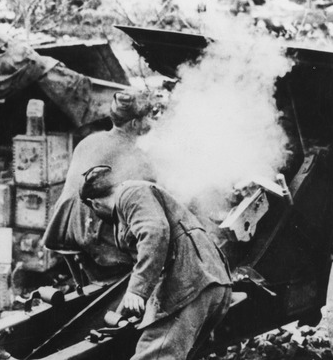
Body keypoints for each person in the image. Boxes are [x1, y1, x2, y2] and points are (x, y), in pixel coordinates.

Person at [78, 165, 232, 360]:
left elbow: (155, 232)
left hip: (190, 284)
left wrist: (137, 290)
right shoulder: (131, 202)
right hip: (206, 282)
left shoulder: (130, 193)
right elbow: (155, 253)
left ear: (93, 203)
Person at [42, 91, 157, 281]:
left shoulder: (89, 141)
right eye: (147, 118)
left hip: (63, 229)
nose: (150, 123)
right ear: (135, 123)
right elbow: (149, 196)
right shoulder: (134, 155)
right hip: (92, 238)